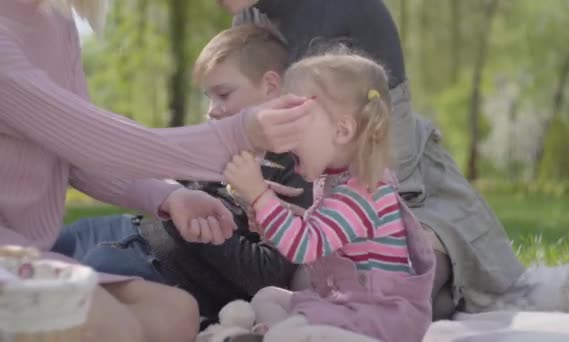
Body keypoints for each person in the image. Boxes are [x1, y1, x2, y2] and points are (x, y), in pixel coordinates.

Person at [0, 1, 313, 341]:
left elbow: (75, 156)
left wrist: (169, 195)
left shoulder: (57, 25)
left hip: (29, 251)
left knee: (176, 314)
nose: (212, 110)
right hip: (11, 252)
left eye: (223, 93)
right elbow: (92, 140)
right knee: (116, 329)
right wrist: (238, 134)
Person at [223, 0, 525, 319]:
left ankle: (417, 302)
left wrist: (261, 195)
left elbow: (364, 167)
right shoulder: (251, 18)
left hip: (396, 196)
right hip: (337, 208)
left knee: (388, 273)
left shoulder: (342, 13)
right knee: (301, 287)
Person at [224, 52, 435, 342]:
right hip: (344, 304)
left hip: (379, 317)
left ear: (342, 130)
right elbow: (321, 235)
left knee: (298, 329)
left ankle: (280, 336)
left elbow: (306, 246)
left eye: (295, 123)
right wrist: (270, 218)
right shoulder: (338, 182)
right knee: (267, 298)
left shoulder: (364, 193)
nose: (284, 139)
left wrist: (261, 197)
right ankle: (279, 334)